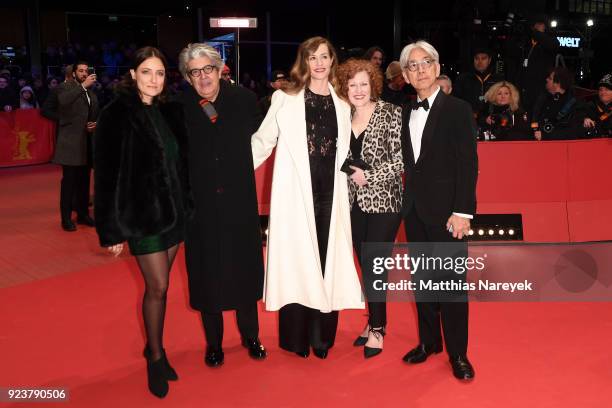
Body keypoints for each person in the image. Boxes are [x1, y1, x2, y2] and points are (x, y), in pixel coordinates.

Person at [252, 36, 364, 359]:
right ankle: (296, 338)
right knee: (298, 264)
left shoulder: (343, 102)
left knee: (328, 262)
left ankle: (322, 338)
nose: (319, 63)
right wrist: (233, 172)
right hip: (295, 195)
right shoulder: (284, 99)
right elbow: (263, 141)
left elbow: (350, 149)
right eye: (312, 57)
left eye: (325, 57)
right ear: (304, 61)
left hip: (332, 194)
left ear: (332, 61)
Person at [93, 47, 192, 399]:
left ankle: (153, 346)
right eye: (147, 72)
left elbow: (184, 163)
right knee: (159, 287)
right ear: (133, 74)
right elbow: (105, 174)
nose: (154, 79)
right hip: (143, 217)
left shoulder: (171, 111)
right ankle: (155, 354)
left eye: (160, 73)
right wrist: (112, 229)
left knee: (161, 288)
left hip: (177, 213)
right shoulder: (115, 114)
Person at [177, 43, 267, 368]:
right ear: (188, 77)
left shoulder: (243, 100)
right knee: (206, 274)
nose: (203, 77)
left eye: (208, 69)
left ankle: (251, 336)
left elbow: (265, 138)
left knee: (243, 271)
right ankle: (213, 344)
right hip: (200, 206)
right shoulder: (180, 105)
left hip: (239, 203)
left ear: (219, 69)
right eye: (195, 72)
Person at [399, 40, 478, 380]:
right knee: (424, 283)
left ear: (437, 66)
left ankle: (458, 353)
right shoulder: (403, 111)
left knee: (452, 287)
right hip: (414, 211)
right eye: (412, 66)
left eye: (425, 62)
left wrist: (463, 211)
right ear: (405, 74)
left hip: (448, 213)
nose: (419, 70)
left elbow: (468, 164)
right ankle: (429, 342)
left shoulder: (458, 109)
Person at [336, 58, 403, 358]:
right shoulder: (341, 115)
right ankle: (375, 320)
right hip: (351, 201)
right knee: (365, 264)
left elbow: (402, 160)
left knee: (375, 264)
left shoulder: (391, 113)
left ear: (373, 84)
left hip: (385, 200)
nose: (358, 90)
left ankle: (377, 328)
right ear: (344, 88)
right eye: (352, 85)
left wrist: (370, 175)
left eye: (364, 83)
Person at [52, 60, 99, 232]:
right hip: (70, 144)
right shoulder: (66, 88)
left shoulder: (91, 93)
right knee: (69, 183)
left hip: (86, 143)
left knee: (84, 182)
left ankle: (83, 214)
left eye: (87, 70)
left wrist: (95, 124)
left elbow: (94, 114)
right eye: (81, 71)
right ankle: (65, 219)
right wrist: (83, 87)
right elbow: (63, 102)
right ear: (74, 73)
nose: (85, 74)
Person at [532, 67, 584, 141]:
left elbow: (573, 132)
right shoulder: (543, 99)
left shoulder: (575, 104)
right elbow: (535, 120)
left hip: (562, 147)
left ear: (557, 83)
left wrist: (546, 135)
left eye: (550, 78)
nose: (546, 79)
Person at [452, 48, 503, 116]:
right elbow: (456, 100)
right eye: (476, 58)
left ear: (489, 60)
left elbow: (503, 101)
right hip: (468, 118)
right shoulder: (463, 79)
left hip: (491, 119)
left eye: (483, 58)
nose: (480, 62)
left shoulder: (497, 80)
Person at [581, 73, 611, 138]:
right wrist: (585, 119)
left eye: (607, 89)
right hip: (595, 143)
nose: (603, 92)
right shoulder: (590, 105)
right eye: (601, 89)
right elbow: (578, 115)